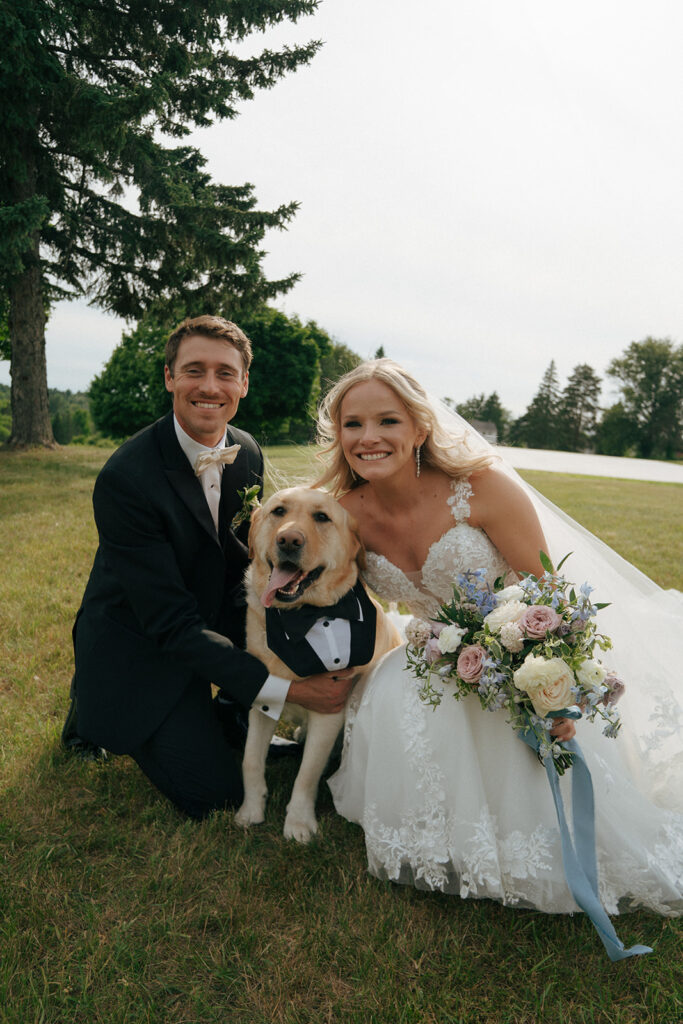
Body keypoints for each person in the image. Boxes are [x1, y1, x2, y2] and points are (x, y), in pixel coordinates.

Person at [315, 358, 683, 918]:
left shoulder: (480, 489)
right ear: (338, 436)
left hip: (515, 659)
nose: (368, 438)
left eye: (387, 421)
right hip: (421, 668)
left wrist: (557, 692)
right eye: (352, 425)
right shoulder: (338, 515)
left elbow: (550, 598)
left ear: (419, 428)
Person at [62, 315, 354, 819]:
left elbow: (242, 563)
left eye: (226, 372)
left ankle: (224, 714)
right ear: (171, 378)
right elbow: (169, 624)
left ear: (243, 383)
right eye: (194, 370)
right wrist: (288, 689)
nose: (210, 386)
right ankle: (93, 712)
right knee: (216, 794)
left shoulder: (247, 452)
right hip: (144, 641)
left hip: (206, 621)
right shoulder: (125, 478)